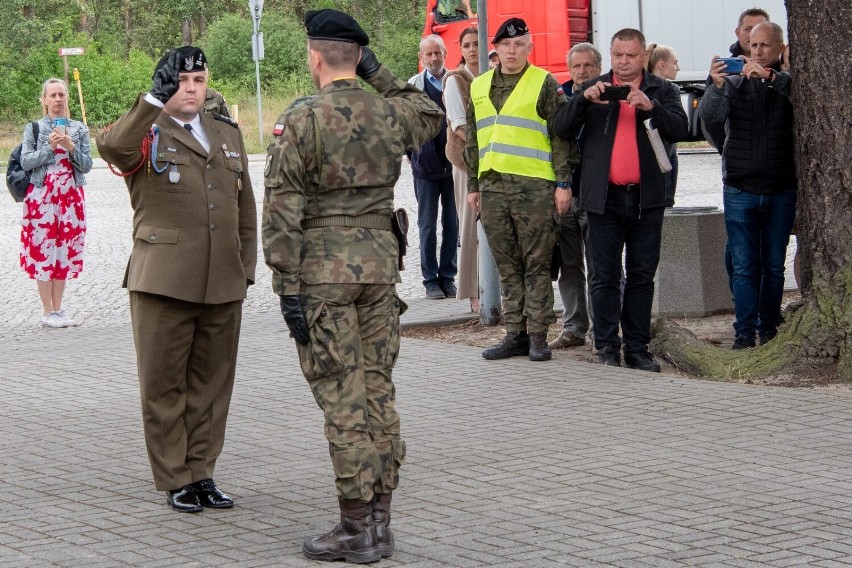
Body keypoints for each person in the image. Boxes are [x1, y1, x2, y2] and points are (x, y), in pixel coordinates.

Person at [262, 9, 443, 563]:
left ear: (315, 56)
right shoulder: (390, 111)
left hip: (324, 275)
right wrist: (377, 72)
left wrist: (285, 284)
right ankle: (382, 523)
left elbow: (282, 208)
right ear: (356, 57)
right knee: (377, 389)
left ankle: (354, 526)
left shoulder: (303, 119)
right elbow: (430, 110)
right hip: (379, 269)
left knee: (342, 396)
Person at [96, 46, 257, 513]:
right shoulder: (145, 131)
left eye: (199, 80)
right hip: (163, 280)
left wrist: (245, 267)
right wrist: (152, 98)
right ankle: (175, 477)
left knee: (211, 386)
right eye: (181, 81)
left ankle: (203, 471)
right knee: (165, 386)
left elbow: (244, 208)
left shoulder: (226, 133)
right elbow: (111, 147)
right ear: (166, 84)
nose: (191, 89)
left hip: (222, 280)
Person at [554, 28, 688, 371]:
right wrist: (583, 99)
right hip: (603, 199)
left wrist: (651, 106)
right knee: (605, 276)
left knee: (642, 275)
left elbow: (681, 130)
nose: (624, 62)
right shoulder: (593, 87)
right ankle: (607, 347)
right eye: (618, 55)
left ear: (644, 56)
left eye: (630, 55)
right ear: (610, 55)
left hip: (647, 199)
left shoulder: (663, 89)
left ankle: (638, 348)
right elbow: (561, 128)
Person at [465, 17, 579, 362]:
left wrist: (562, 184)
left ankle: (539, 336)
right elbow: (473, 139)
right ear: (496, 49)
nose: (512, 50)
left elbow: (561, 136)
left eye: (519, 44)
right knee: (507, 264)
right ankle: (514, 333)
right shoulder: (479, 85)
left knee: (537, 264)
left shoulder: (543, 83)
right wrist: (473, 185)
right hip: (493, 188)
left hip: (535, 188)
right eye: (505, 45)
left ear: (530, 48)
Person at [698, 21, 795, 349]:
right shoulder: (734, 82)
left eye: (764, 46)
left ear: (779, 49)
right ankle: (743, 333)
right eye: (753, 46)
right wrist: (717, 85)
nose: (757, 52)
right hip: (740, 186)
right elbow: (709, 118)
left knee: (773, 265)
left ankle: (768, 329)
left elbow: (801, 97)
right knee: (743, 264)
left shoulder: (787, 82)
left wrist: (770, 78)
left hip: (780, 186)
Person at [19, 78, 92, 329]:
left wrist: (71, 147)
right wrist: (50, 148)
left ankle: (59, 309)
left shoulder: (79, 129)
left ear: (67, 98)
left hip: (71, 199)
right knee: (43, 251)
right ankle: (47, 310)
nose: (58, 99)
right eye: (53, 95)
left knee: (64, 251)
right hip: (42, 199)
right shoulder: (35, 128)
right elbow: (26, 161)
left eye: (62, 94)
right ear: (44, 100)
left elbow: (88, 165)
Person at [549, 43, 601, 350]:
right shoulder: (560, 97)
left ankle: (602, 328)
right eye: (576, 66)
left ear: (598, 67)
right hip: (565, 194)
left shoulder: (607, 95)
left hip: (596, 195)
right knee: (569, 265)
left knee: (599, 266)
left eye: (588, 66)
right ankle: (574, 327)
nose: (582, 72)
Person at [409, 35, 458, 299]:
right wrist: (414, 155)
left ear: (445, 53)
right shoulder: (413, 87)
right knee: (427, 226)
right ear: (422, 58)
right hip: (425, 169)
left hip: (453, 167)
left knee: (452, 223)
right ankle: (430, 280)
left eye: (437, 53)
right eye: (428, 54)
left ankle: (448, 278)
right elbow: (405, 127)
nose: (433, 58)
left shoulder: (456, 82)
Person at [443, 26, 480, 312]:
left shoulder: (494, 77)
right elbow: (458, 125)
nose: (472, 49)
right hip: (467, 164)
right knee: (469, 229)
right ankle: (473, 294)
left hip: (495, 165)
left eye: (477, 44)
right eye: (467, 45)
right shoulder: (456, 80)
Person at [646, 43, 681, 193]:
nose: (678, 68)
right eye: (674, 63)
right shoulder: (671, 90)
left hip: (667, 150)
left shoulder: (643, 88)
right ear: (661, 64)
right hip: (663, 153)